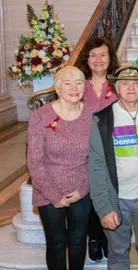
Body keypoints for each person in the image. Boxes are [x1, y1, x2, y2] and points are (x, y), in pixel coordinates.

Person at [87, 66, 138, 270]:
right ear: (116, 87)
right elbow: (96, 166)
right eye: (124, 83)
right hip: (117, 198)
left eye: (136, 83)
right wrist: (104, 207)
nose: (131, 87)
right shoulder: (103, 120)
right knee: (117, 253)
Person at [27, 66, 93, 270]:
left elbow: (98, 159)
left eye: (79, 82)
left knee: (79, 241)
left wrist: (83, 189)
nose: (74, 88)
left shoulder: (93, 116)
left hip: (82, 189)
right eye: (67, 83)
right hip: (48, 191)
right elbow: (34, 162)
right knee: (56, 244)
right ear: (57, 87)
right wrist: (53, 195)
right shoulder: (40, 116)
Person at [76, 36, 121, 262]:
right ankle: (94, 237)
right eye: (93, 55)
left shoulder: (118, 83)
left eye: (103, 54)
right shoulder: (79, 84)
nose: (98, 59)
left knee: (109, 190)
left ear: (110, 57)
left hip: (114, 149)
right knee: (90, 190)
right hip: (84, 149)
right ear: (87, 59)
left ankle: (109, 236)